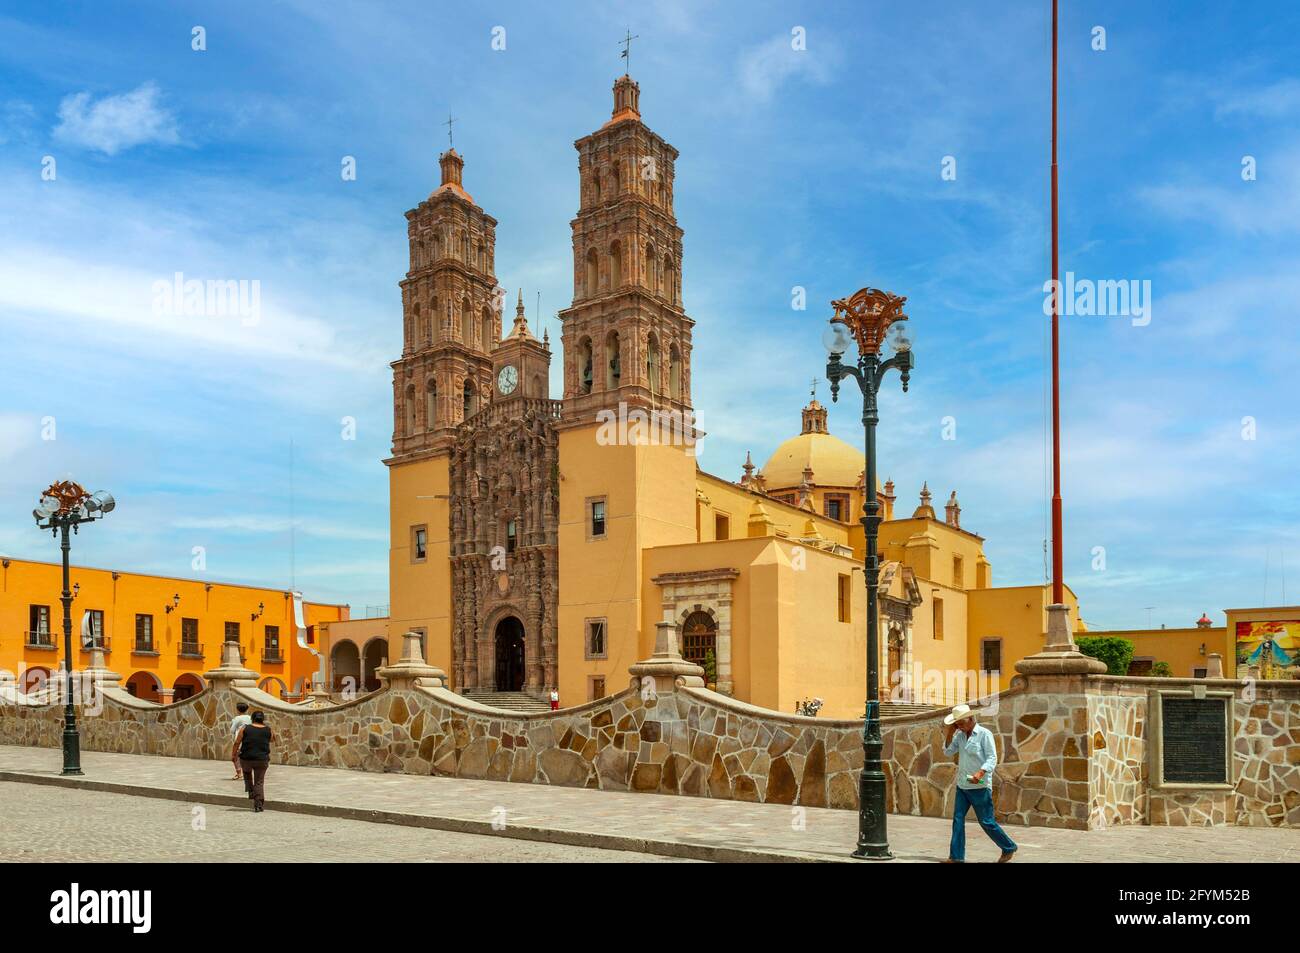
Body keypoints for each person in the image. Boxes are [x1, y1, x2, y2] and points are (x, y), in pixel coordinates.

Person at [940, 703, 1017, 863]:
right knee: (958, 820)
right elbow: (948, 752)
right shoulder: (959, 736)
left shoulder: (984, 734)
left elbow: (992, 758)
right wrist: (949, 733)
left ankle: (1008, 847)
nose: (959, 727)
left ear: (970, 719)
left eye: (961, 724)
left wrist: (980, 772)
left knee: (987, 822)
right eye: (957, 724)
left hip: (980, 786)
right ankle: (956, 857)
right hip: (962, 785)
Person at [233, 710, 272, 812]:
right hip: (262, 759)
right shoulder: (268, 729)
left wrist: (234, 755)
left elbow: (237, 742)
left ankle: (251, 791)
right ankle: (258, 804)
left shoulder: (245, 728)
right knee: (259, 782)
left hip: (246, 758)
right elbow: (272, 739)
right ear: (262, 719)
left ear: (252, 719)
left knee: (247, 774)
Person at [229, 702, 252, 780]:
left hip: (240, 740)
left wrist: (232, 722)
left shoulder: (237, 718)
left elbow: (232, 730)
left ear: (238, 710)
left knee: (235, 756)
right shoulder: (250, 718)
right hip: (249, 740)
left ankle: (239, 773)